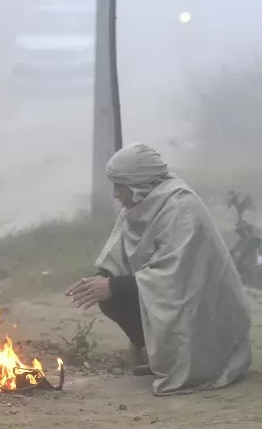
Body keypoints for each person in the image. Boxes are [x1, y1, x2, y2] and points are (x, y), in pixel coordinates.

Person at [66, 143, 251, 396]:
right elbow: (117, 253)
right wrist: (101, 279)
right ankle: (164, 359)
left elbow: (176, 278)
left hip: (203, 308)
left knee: (116, 291)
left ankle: (191, 364)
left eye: (119, 186)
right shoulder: (138, 204)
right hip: (170, 294)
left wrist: (114, 286)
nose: (115, 194)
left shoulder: (180, 207)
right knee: (111, 297)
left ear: (136, 185)